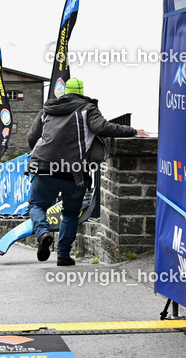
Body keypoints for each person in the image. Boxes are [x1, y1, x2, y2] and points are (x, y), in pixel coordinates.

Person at [26, 78, 147, 266]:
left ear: (65, 92)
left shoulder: (48, 109)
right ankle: (63, 255)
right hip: (74, 172)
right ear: (82, 92)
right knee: (70, 213)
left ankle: (43, 233)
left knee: (36, 205)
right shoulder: (87, 109)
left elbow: (32, 137)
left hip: (44, 167)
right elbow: (103, 127)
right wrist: (132, 131)